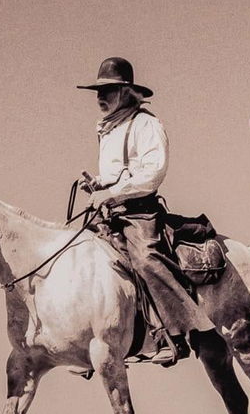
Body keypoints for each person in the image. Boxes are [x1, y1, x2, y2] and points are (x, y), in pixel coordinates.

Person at [76, 57, 216, 367]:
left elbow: (152, 173)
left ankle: (175, 335)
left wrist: (112, 192)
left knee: (146, 260)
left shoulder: (147, 124)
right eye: (98, 91)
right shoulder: (108, 129)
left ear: (126, 91)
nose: (101, 97)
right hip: (110, 211)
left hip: (140, 212)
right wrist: (98, 184)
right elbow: (119, 173)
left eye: (108, 90)